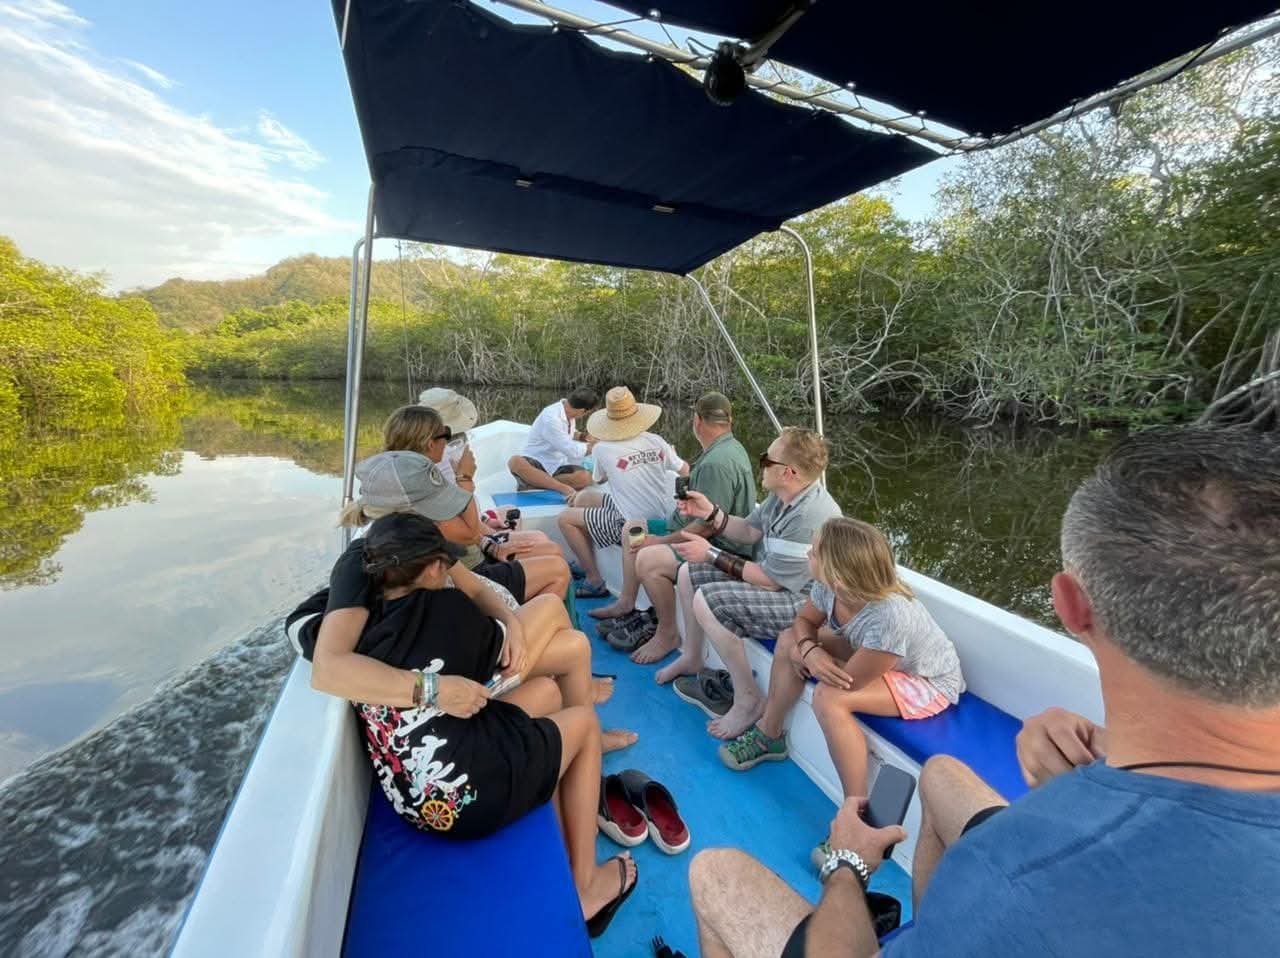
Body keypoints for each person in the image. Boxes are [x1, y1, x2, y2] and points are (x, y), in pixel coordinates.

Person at [688, 425, 1280, 957]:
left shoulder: (1015, 879)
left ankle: (856, 821)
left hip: (923, 690)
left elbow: (854, 674)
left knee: (714, 872)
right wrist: (1099, 752)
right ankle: (911, 897)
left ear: (1072, 606)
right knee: (942, 774)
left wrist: (847, 869)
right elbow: (814, 630)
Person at [312, 512, 637, 935]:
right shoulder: (448, 614)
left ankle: (572, 786)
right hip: (467, 803)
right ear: (433, 568)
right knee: (582, 724)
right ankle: (586, 886)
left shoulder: (361, 629)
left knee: (549, 695)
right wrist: (513, 628)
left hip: (414, 801)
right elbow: (507, 661)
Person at [718, 518, 964, 804]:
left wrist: (805, 654)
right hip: (873, 652)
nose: (808, 555)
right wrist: (809, 650)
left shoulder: (890, 617)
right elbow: (804, 621)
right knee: (788, 640)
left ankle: (855, 810)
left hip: (926, 680)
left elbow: (851, 681)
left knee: (830, 697)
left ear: (839, 574)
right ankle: (768, 735)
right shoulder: (829, 587)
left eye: (814, 552)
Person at [661, 427, 842, 740]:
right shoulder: (782, 497)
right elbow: (747, 532)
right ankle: (692, 656)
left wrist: (711, 553)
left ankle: (748, 700)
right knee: (689, 572)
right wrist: (711, 513)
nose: (761, 465)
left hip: (807, 605)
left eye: (765, 460)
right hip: (779, 584)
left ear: (788, 472)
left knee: (709, 602)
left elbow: (770, 582)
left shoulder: (809, 516)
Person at [601, 393, 756, 658]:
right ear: (729, 421)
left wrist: (660, 542)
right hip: (688, 527)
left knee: (648, 559)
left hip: (717, 545)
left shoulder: (717, 463)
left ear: (697, 421)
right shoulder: (725, 449)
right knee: (633, 528)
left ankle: (667, 633)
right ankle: (628, 601)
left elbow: (707, 527)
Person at [343, 449, 571, 606]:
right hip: (470, 587)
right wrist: (464, 478)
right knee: (556, 576)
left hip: (471, 587)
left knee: (550, 578)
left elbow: (471, 581)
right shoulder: (404, 547)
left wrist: (489, 543)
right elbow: (469, 534)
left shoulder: (416, 539)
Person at [385, 401, 563, 562]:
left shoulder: (407, 472)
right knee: (550, 549)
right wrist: (465, 477)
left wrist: (484, 521)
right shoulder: (426, 483)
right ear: (430, 443)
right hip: (466, 561)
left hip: (465, 546)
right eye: (444, 435)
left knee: (512, 515)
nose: (449, 443)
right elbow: (466, 532)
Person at [556, 386, 689, 601]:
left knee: (565, 519)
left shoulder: (602, 449)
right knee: (583, 498)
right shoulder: (657, 441)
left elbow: (598, 479)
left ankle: (594, 579)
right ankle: (585, 559)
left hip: (628, 523)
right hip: (657, 515)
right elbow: (684, 470)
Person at [507, 388, 599, 498]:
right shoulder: (551, 418)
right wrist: (595, 446)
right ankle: (563, 488)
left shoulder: (568, 410)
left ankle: (533, 483)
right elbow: (572, 451)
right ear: (582, 411)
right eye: (587, 413)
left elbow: (565, 433)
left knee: (585, 477)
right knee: (515, 462)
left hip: (557, 465)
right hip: (536, 461)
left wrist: (582, 436)